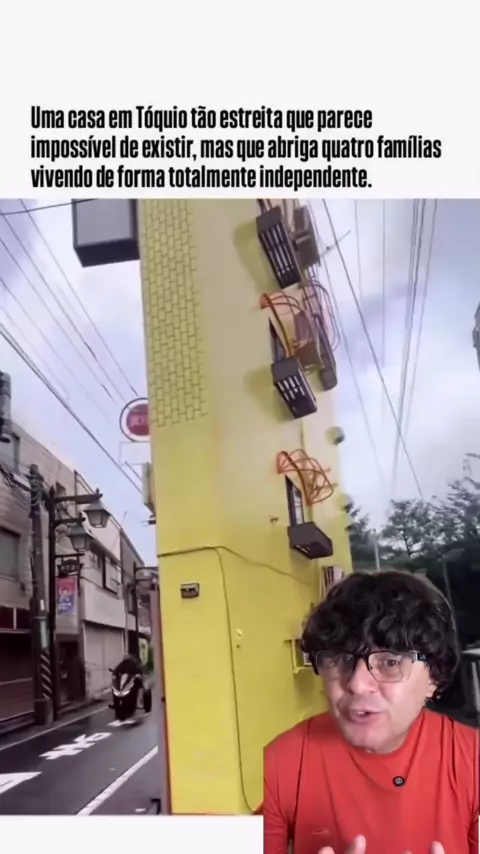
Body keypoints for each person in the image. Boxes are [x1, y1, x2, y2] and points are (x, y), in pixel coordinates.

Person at [263, 570, 478, 854]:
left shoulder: (473, 761)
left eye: (390, 662)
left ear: (434, 676)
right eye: (340, 659)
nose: (356, 683)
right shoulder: (280, 762)